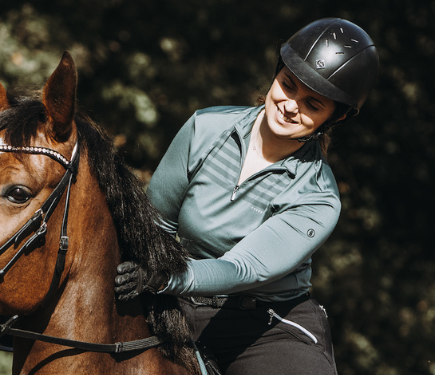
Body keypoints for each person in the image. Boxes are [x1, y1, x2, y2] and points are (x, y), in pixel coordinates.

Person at [115, 17, 378, 374]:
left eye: (312, 105)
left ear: (336, 117)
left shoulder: (320, 197)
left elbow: (243, 268)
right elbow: (154, 222)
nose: (290, 105)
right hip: (174, 299)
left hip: (264, 326)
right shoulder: (204, 129)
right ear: (276, 74)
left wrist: (164, 277)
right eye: (287, 85)